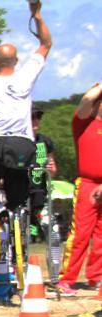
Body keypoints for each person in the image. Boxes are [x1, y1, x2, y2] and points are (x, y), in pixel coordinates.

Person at [0, 0, 51, 211]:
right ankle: (18, 223)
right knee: (18, 200)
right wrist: (37, 14)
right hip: (21, 145)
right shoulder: (25, 77)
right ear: (16, 61)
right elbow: (46, 44)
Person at [57, 82, 102, 297]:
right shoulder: (83, 122)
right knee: (80, 234)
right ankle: (67, 279)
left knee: (101, 236)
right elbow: (86, 100)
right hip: (87, 184)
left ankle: (97, 277)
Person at [27, 107, 56, 242]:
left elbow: (53, 169)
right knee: (24, 212)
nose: (36, 121)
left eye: (38, 117)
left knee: (36, 212)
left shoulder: (45, 141)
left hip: (39, 186)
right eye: (32, 117)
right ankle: (27, 236)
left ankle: (34, 236)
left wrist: (51, 168)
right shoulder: (20, 141)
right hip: (22, 185)